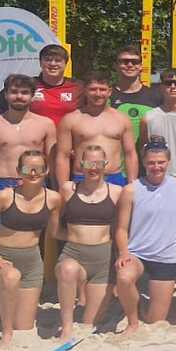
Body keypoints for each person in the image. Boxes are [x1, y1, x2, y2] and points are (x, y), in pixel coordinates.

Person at [0, 149, 60, 347]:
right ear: (18, 171)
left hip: (32, 264)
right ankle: (6, 334)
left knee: (24, 326)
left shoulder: (54, 199)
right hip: (2, 259)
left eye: (38, 168)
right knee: (11, 277)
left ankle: (6, 308)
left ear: (46, 170)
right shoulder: (5, 196)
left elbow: (56, 233)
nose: (33, 173)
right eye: (27, 169)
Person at [112, 140, 176, 333]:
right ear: (144, 163)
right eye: (151, 162)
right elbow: (121, 229)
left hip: (165, 257)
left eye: (161, 162)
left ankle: (141, 307)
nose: (156, 167)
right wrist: (123, 253)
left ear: (168, 162)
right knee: (124, 277)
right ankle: (133, 321)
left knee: (155, 320)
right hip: (137, 253)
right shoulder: (131, 190)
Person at [53, 144, 120, 338]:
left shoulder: (117, 192)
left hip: (103, 260)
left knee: (91, 322)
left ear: (105, 165)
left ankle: (86, 295)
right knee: (68, 270)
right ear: (81, 165)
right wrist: (75, 237)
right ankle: (66, 326)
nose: (93, 168)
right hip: (73, 254)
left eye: (98, 163)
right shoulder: (68, 189)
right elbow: (54, 228)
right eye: (89, 163)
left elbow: (123, 228)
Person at [0, 73, 56, 211]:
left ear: (32, 96)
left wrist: (53, 190)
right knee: (2, 226)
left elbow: (52, 162)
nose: (19, 96)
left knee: (36, 225)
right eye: (14, 92)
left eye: (24, 92)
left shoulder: (46, 124)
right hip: (3, 184)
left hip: (35, 183)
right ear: (6, 95)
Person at [54, 73, 136, 188]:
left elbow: (130, 153)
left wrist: (132, 184)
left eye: (102, 89)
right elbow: (63, 156)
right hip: (82, 178)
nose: (98, 94)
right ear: (85, 91)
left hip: (114, 178)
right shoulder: (71, 119)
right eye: (93, 89)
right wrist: (63, 186)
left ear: (109, 92)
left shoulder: (122, 119)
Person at [0, 42, 81, 126]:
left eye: (58, 60)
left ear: (65, 64)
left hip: (66, 142)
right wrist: (10, 130)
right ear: (40, 63)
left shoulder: (78, 87)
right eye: (48, 59)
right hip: (34, 143)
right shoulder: (26, 85)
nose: (53, 63)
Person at [107, 45, 159, 140]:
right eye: (125, 61)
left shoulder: (157, 96)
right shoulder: (106, 96)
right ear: (115, 66)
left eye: (135, 62)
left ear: (141, 66)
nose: (130, 65)